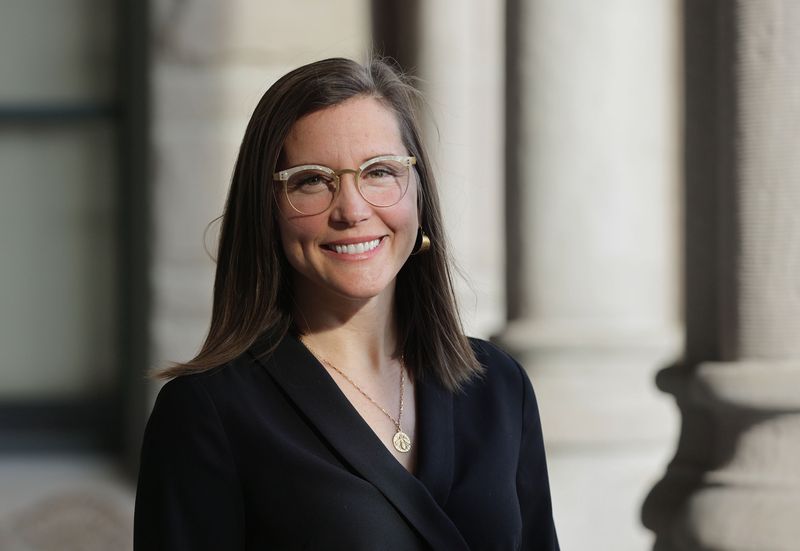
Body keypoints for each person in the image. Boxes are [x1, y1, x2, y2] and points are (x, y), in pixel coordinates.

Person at [133, 57, 559, 550]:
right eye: (312, 180)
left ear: (418, 194)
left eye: (379, 171)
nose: (353, 210)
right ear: (267, 211)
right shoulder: (208, 413)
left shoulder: (500, 387)